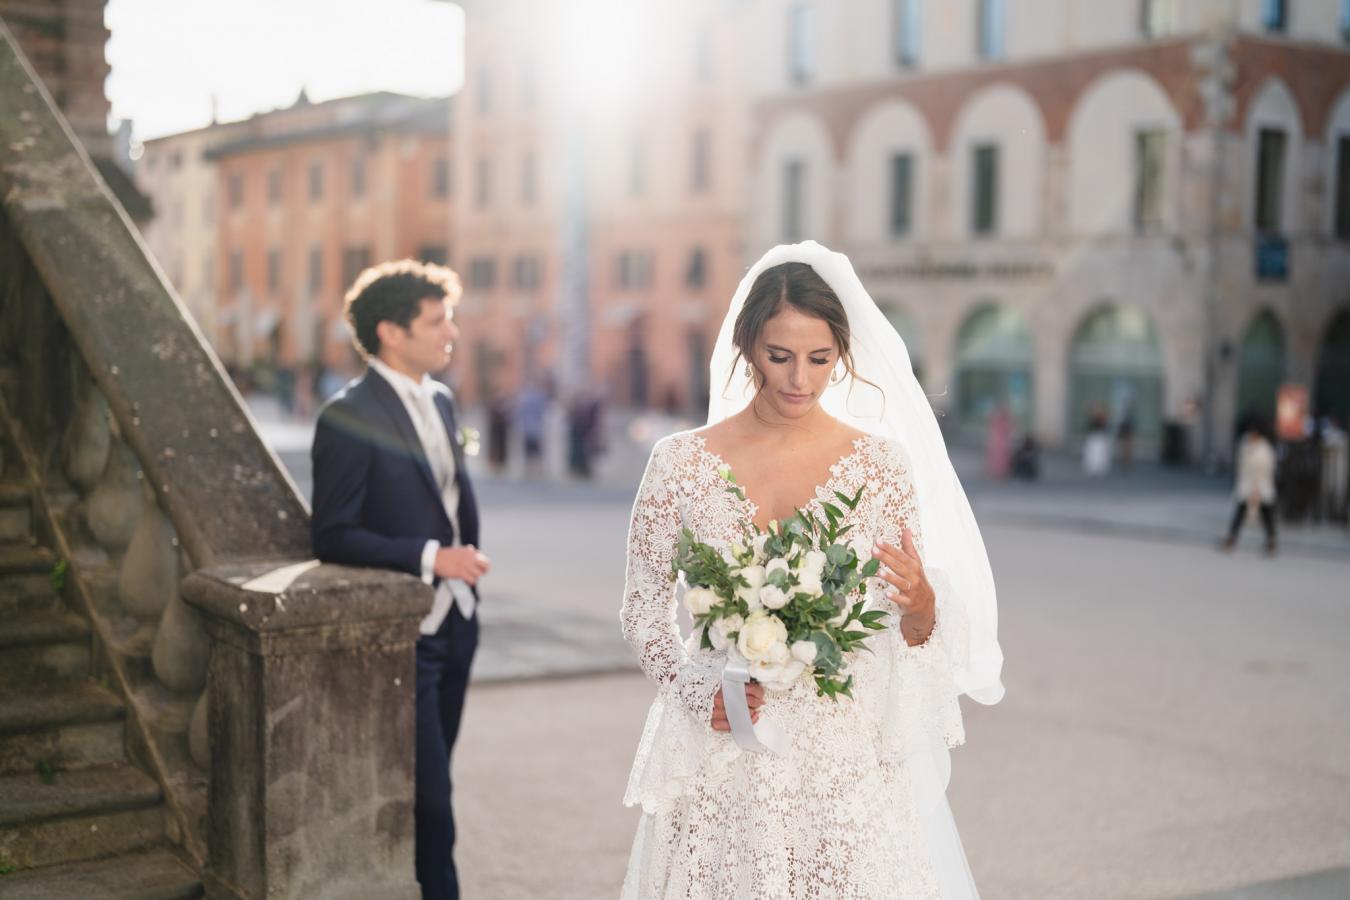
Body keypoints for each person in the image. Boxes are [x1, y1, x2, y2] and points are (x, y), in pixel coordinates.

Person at [619, 242, 1003, 898]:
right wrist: (696, 690)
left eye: (820, 359)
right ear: (747, 347)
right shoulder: (679, 462)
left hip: (843, 759)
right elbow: (642, 609)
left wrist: (922, 607)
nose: (800, 378)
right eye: (780, 356)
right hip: (725, 739)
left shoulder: (879, 466)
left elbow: (906, 628)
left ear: (841, 355)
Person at [310, 259, 489, 900]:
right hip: (405, 638)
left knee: (429, 791)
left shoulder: (441, 400)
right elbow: (331, 533)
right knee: (434, 805)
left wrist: (464, 569)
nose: (452, 333)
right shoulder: (345, 415)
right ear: (391, 332)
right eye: (437, 321)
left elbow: (449, 498)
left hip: (459, 624)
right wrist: (429, 556)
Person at [1222, 422, 1278, 555]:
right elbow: (1242, 467)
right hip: (1246, 484)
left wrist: (1257, 488)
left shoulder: (1265, 449)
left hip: (1262, 485)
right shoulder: (1245, 446)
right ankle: (1231, 538)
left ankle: (1271, 541)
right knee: (1240, 512)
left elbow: (1266, 470)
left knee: (1267, 514)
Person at [985, 403, 1013, 480]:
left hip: (999, 442)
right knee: (999, 457)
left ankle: (1000, 472)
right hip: (1000, 442)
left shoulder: (1000, 421)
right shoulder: (1001, 421)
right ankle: (999, 472)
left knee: (1000, 458)